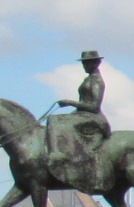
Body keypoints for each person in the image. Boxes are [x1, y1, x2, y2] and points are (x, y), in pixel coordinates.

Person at [45, 49, 112, 183]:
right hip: (82, 115)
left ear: (96, 63)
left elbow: (94, 106)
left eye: (87, 63)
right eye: (84, 63)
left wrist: (70, 103)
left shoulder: (97, 81)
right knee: (55, 120)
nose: (85, 66)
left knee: (55, 121)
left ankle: (58, 155)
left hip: (93, 118)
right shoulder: (89, 79)